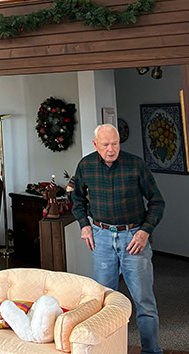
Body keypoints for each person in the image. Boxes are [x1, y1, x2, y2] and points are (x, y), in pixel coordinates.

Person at [72, 124, 166, 354]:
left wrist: (144, 232)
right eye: (105, 145)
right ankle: (109, 350)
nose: (111, 149)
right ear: (96, 145)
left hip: (134, 238)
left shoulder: (136, 165)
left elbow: (157, 202)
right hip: (101, 237)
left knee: (144, 300)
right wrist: (84, 226)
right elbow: (77, 200)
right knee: (103, 300)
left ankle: (151, 351)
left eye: (115, 144)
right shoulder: (86, 165)